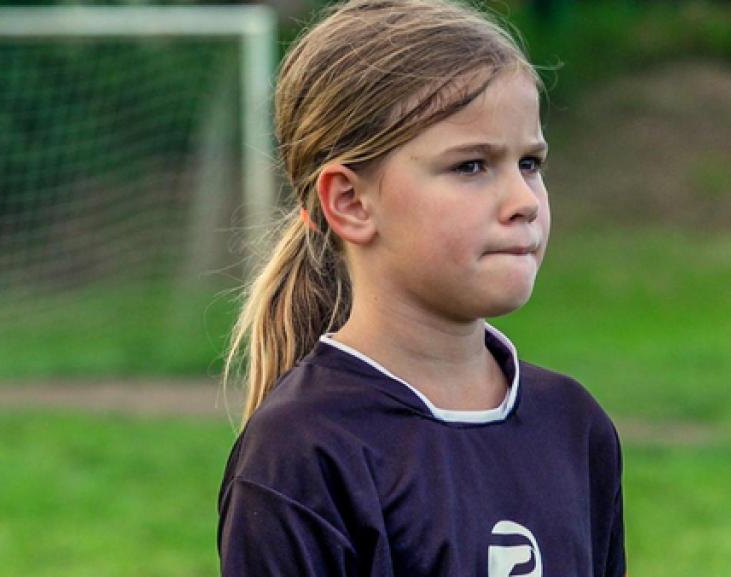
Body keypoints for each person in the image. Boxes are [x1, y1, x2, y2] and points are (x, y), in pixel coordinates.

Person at [216, 0, 626, 575]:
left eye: (530, 163)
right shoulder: (302, 453)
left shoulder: (575, 427)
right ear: (352, 202)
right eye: (472, 166)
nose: (524, 203)